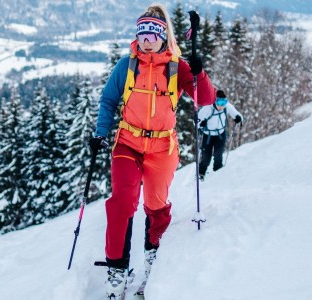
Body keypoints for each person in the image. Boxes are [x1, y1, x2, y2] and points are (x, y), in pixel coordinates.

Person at [88, 4, 215, 299]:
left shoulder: (177, 67)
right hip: (128, 143)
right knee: (122, 201)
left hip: (162, 146)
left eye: (153, 33)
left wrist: (199, 72)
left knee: (156, 205)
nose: (147, 39)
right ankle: (117, 270)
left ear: (162, 36)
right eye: (142, 32)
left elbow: (205, 98)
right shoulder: (127, 65)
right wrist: (100, 134)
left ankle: (151, 259)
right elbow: (108, 101)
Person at [196, 89, 243, 180]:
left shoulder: (227, 107)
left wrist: (238, 118)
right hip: (208, 136)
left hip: (220, 135)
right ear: (215, 101)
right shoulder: (207, 108)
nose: (221, 106)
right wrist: (201, 124)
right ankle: (201, 173)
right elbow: (196, 122)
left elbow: (237, 115)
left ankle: (218, 175)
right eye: (219, 102)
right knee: (206, 157)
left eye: (223, 102)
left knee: (218, 155)